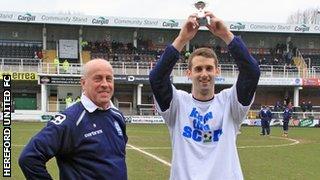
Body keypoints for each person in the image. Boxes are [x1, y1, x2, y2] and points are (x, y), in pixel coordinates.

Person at [149, 12, 260, 180]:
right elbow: (156, 78)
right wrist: (182, 39)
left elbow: (252, 72)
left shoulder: (230, 102)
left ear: (217, 71)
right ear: (189, 73)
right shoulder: (177, 104)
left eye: (209, 68)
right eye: (198, 69)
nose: (204, 74)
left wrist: (226, 35)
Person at [19, 59, 128, 179]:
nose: (105, 84)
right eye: (98, 78)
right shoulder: (70, 120)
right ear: (83, 83)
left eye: (109, 79)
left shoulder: (117, 116)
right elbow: (29, 158)